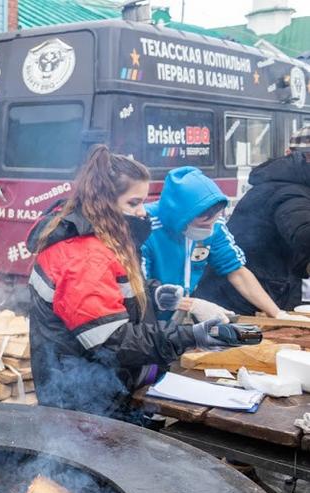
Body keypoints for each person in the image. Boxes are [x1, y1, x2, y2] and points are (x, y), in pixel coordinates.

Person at [27, 146, 248, 422]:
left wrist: (155, 294)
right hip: (84, 402)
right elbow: (112, 342)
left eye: (144, 201)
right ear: (103, 201)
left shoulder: (102, 238)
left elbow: (113, 290)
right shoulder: (83, 256)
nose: (142, 212)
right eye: (133, 203)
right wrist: (192, 335)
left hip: (107, 389)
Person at [195, 127, 310, 316]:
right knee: (241, 341)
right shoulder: (291, 189)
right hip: (243, 297)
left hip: (260, 288)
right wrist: (276, 313)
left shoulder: (286, 179)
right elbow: (303, 234)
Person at [141, 166, 281, 321]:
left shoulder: (215, 225)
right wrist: (192, 305)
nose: (210, 229)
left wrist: (277, 314)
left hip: (180, 315)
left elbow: (237, 272)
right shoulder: (145, 226)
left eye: (214, 222)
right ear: (180, 217)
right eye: (203, 225)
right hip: (147, 317)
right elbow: (140, 290)